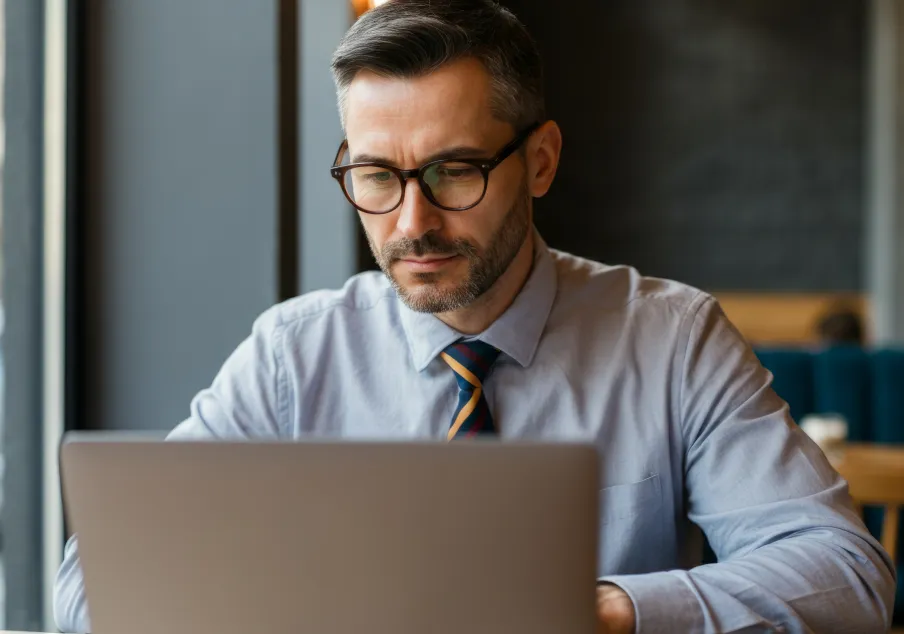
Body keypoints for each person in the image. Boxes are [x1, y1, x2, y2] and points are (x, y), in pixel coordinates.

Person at [54, 1, 895, 632]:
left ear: (540, 161)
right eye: (376, 176)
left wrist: (598, 612)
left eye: (453, 172)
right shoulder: (293, 355)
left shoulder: (672, 340)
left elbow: (847, 575)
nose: (411, 222)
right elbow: (90, 587)